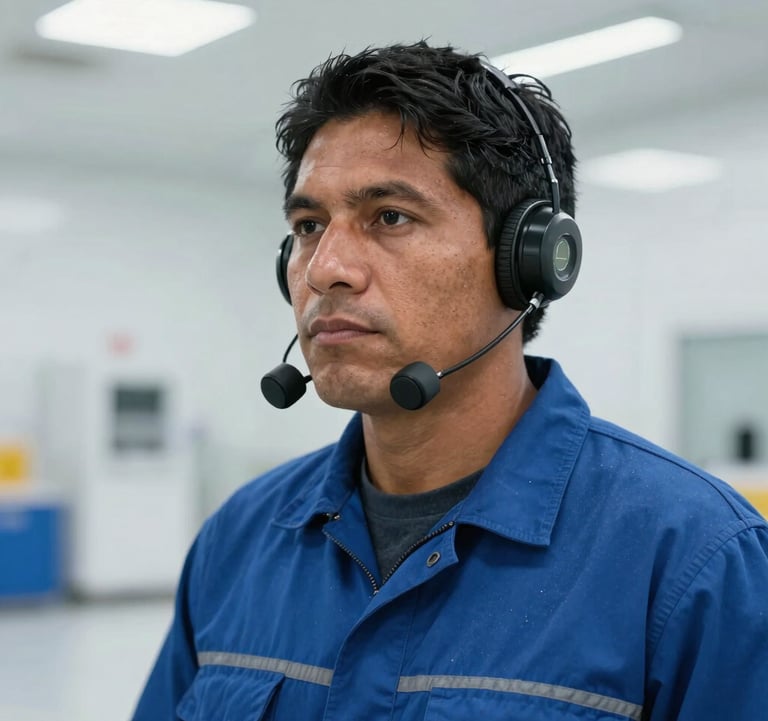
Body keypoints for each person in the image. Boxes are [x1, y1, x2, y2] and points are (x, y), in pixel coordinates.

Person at [132, 41, 768, 720]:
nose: (325, 269)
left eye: (390, 217)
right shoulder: (240, 538)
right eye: (309, 225)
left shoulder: (694, 558)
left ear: (528, 259)